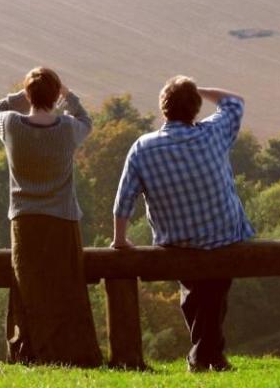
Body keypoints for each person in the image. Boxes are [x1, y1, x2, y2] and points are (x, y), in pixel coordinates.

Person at [110, 75, 254, 372]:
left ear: (163, 108)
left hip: (177, 239)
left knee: (196, 294)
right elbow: (234, 101)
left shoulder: (142, 147)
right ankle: (208, 356)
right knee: (213, 291)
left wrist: (119, 239)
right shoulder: (213, 132)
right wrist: (196, 90)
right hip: (224, 234)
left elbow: (124, 198)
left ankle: (206, 356)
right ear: (196, 108)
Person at [0, 67, 102, 368]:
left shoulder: (10, 124)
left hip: (25, 221)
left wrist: (21, 98)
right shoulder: (66, 128)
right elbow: (87, 121)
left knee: (28, 288)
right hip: (62, 219)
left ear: (28, 94)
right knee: (67, 285)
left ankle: (29, 352)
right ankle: (72, 351)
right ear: (54, 95)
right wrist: (69, 96)